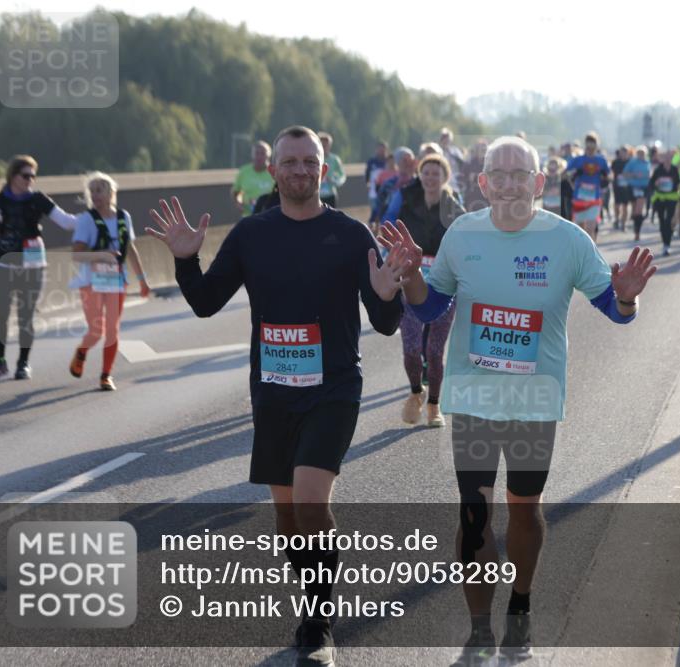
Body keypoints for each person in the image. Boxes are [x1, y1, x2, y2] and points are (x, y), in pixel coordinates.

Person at [379, 136, 656, 665]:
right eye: (497, 174)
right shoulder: (463, 233)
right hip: (475, 396)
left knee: (523, 508)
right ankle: (480, 629)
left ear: (538, 183)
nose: (508, 182)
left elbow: (617, 311)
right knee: (474, 513)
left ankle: (520, 609)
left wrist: (626, 294)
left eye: (518, 174)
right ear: (481, 183)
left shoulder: (569, 241)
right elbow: (429, 305)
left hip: (535, 401)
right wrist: (411, 275)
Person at [146, 125, 406, 667]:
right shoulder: (250, 235)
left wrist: (389, 295)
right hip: (272, 391)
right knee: (289, 521)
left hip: (334, 387)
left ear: (324, 169)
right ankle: (312, 599)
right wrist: (185, 260)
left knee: (313, 501)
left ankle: (318, 625)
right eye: (289, 162)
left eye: (309, 162)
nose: (300, 170)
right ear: (273, 170)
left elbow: (384, 322)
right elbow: (205, 303)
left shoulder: (352, 235)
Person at [0, 155, 79, 381]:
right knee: (0, 316)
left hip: (32, 263)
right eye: (26, 175)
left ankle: (23, 363)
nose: (31, 180)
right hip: (3, 262)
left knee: (25, 315)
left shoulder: (38, 200)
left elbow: (67, 222)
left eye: (33, 176)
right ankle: (0, 362)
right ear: (13, 176)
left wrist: (95, 217)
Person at [391, 153, 465, 427]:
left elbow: (467, 244)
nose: (431, 178)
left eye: (436, 173)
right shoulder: (408, 202)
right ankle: (415, 392)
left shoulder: (454, 209)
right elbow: (395, 236)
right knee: (411, 349)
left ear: (445, 177)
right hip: (411, 282)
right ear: (420, 175)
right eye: (426, 172)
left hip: (444, 286)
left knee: (434, 352)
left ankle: (434, 405)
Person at [68, 172, 151, 391]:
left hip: (116, 281)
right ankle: (82, 351)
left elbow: (131, 249)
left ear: (111, 193)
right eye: (92, 191)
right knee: (96, 331)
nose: (95, 195)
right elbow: (76, 255)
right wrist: (101, 254)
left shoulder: (124, 217)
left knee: (113, 330)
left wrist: (142, 279)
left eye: (100, 190)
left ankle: (106, 375)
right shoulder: (86, 220)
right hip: (91, 281)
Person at [565, 132, 610, 241]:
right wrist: (574, 174)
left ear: (596, 145)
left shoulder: (601, 160)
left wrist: (606, 178)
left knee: (591, 228)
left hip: (594, 199)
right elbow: (564, 173)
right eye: (588, 143)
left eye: (593, 143)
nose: (590, 146)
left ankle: (591, 255)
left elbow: (610, 175)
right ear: (585, 144)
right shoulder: (578, 159)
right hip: (579, 199)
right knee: (581, 230)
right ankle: (583, 253)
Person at [648, 149, 680, 256]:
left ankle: (668, 244)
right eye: (665, 157)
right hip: (660, 198)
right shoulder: (658, 170)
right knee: (662, 221)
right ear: (662, 159)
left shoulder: (674, 169)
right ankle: (664, 244)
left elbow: (678, 183)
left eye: (669, 157)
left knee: (669, 221)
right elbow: (651, 183)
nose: (667, 159)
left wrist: (677, 187)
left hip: (671, 197)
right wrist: (656, 183)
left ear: (672, 159)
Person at [374, 146, 417, 225]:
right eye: (405, 160)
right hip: (392, 226)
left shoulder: (420, 182)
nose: (409, 163)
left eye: (411, 160)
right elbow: (379, 204)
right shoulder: (389, 184)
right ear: (397, 162)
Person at [232, 141, 275, 216]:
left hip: (270, 216)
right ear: (252, 155)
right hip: (248, 216)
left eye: (262, 153)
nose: (259, 156)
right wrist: (239, 203)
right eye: (256, 153)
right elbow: (237, 192)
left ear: (268, 155)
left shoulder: (274, 172)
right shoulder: (244, 171)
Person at [621, 146, 652, 241]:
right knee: (635, 210)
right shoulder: (632, 162)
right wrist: (634, 175)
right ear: (636, 153)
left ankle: (637, 232)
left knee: (639, 210)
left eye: (643, 153)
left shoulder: (647, 162)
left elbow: (650, 174)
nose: (641, 155)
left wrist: (649, 176)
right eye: (639, 153)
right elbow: (624, 174)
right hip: (633, 187)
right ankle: (635, 225)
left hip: (643, 188)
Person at [318, 132, 347, 208]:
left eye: (326, 145)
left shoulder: (334, 159)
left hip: (331, 195)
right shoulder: (313, 158)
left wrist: (334, 181)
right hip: (316, 195)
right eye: (322, 144)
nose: (324, 147)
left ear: (329, 145)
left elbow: (342, 175)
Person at [439, 127, 467, 194]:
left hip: (454, 181)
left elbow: (463, 164)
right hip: (440, 180)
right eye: (443, 138)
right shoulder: (438, 151)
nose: (445, 140)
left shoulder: (455, 151)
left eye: (447, 138)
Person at [611, 146, 632, 231]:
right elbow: (611, 172)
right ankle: (616, 219)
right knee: (617, 205)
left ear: (627, 153)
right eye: (621, 153)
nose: (622, 154)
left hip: (626, 187)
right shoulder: (615, 162)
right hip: (617, 186)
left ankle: (623, 224)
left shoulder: (630, 162)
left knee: (625, 206)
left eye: (624, 153)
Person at [365, 140, 388, 215]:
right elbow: (367, 173)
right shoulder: (371, 161)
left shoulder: (388, 161)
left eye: (383, 149)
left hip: (386, 191)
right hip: (373, 190)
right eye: (379, 149)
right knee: (374, 212)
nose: (381, 151)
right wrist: (367, 184)